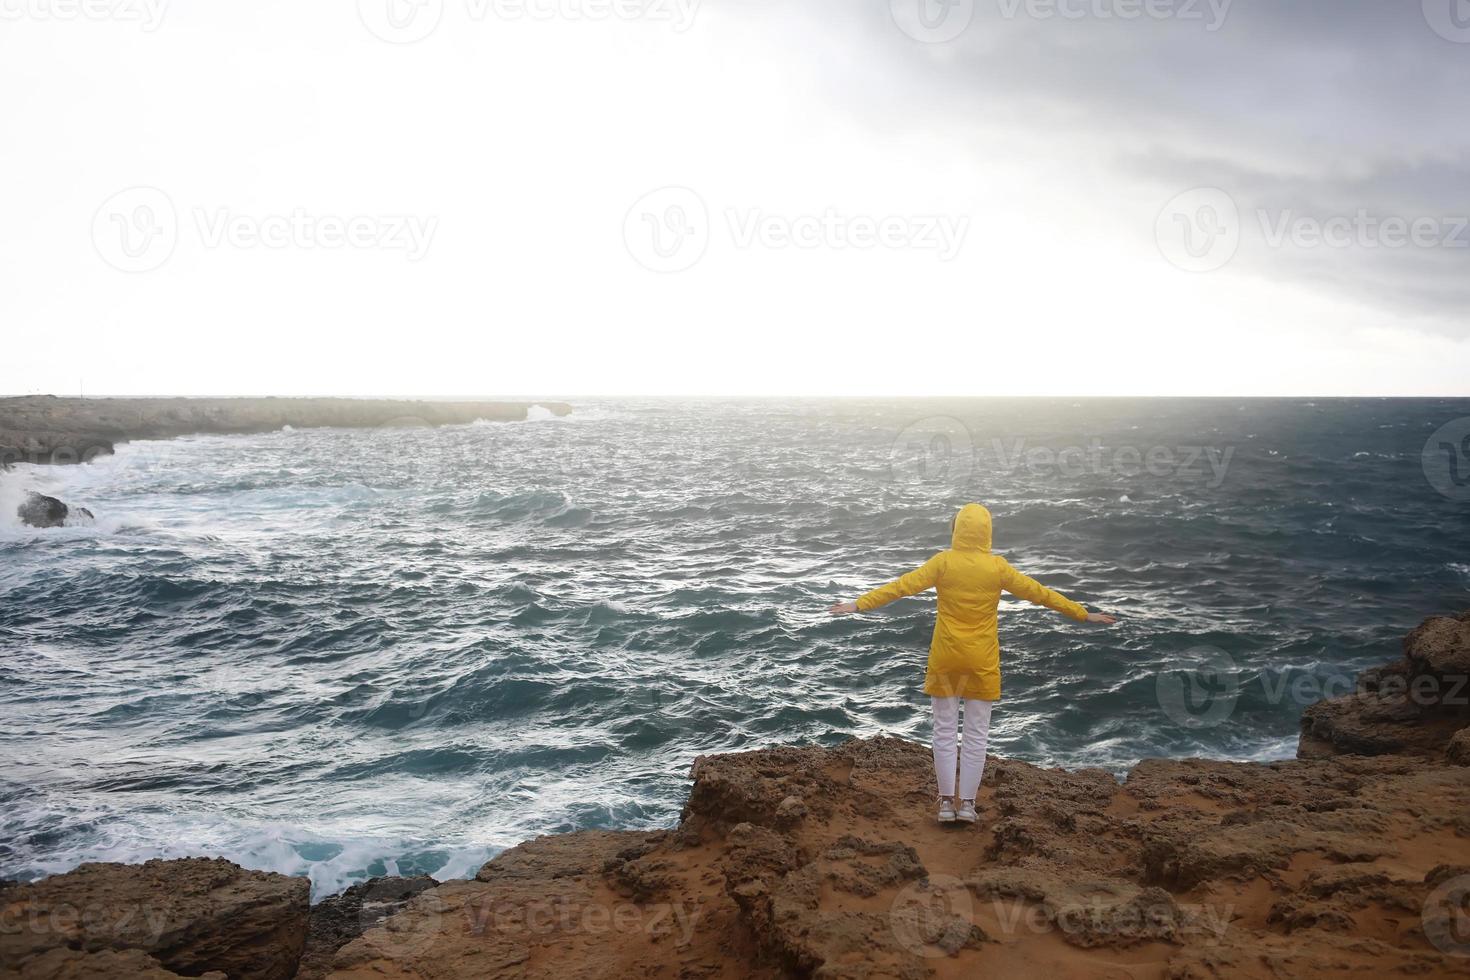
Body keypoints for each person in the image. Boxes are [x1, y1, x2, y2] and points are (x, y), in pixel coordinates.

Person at [828, 503, 1116, 825]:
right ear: (987, 532)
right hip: (981, 662)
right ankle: (967, 805)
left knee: (944, 731)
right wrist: (1083, 613)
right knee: (977, 735)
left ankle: (945, 804)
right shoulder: (998, 568)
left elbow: (901, 587)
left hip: (947, 659)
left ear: (957, 530)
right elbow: (1041, 594)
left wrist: (858, 604)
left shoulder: (943, 563)